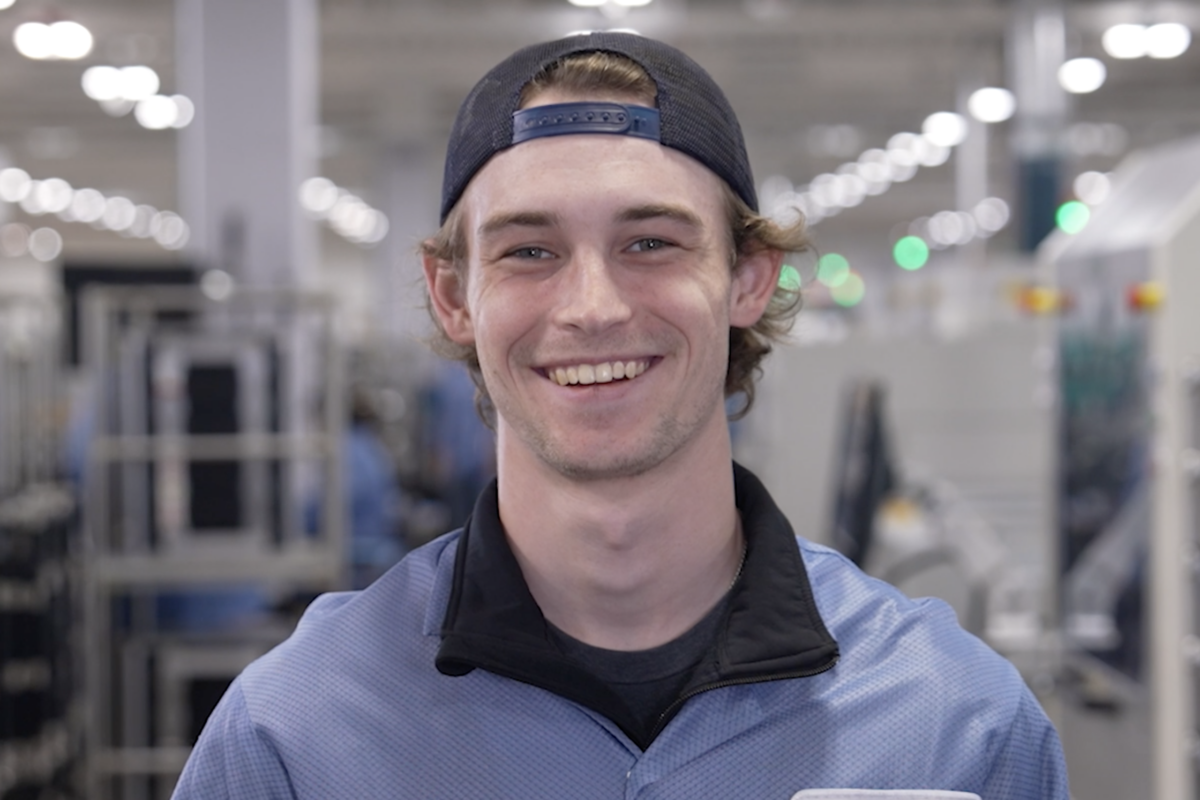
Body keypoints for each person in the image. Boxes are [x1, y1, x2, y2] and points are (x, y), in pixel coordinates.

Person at [171, 32, 1069, 799]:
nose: (592, 307)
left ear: (748, 279)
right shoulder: (297, 739)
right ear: (453, 296)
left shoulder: (955, 730)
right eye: (529, 250)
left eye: (650, 243)